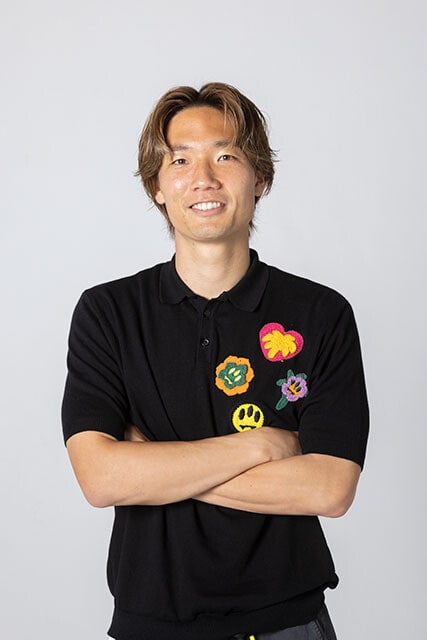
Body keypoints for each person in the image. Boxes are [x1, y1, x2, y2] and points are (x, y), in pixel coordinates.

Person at [62, 82, 369, 640]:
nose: (203, 178)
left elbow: (329, 489)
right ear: (157, 186)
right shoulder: (108, 313)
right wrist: (259, 446)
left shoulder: (321, 313)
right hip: (150, 623)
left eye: (226, 156)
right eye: (180, 160)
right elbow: (101, 478)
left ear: (260, 177)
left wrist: (151, 467)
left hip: (287, 621)